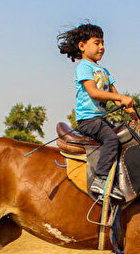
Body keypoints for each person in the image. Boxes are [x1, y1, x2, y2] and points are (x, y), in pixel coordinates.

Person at [57, 23, 135, 201]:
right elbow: (93, 92)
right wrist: (122, 98)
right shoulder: (84, 67)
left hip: (100, 119)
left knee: (125, 137)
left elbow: (115, 95)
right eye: (96, 43)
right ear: (82, 46)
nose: (101, 47)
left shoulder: (104, 71)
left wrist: (132, 112)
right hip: (88, 120)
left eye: (103, 43)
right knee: (111, 139)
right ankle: (100, 179)